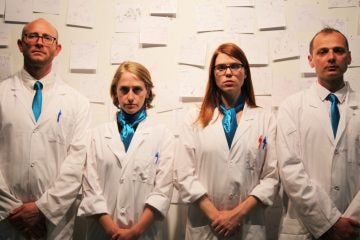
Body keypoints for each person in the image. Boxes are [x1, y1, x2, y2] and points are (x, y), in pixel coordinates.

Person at [174, 43, 279, 239]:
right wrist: (218, 217)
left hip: (248, 226)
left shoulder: (266, 119)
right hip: (205, 225)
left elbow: (271, 177)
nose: (228, 72)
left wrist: (236, 215)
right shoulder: (193, 118)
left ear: (245, 73)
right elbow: (183, 174)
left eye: (235, 66)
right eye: (221, 67)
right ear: (213, 74)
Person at [0, 18, 90, 239]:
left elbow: (76, 164)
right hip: (6, 219)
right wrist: (13, 211)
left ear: (57, 48)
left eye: (47, 38)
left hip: (53, 223)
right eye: (33, 36)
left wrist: (42, 210)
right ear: (21, 45)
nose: (40, 42)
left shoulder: (77, 102)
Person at [277, 27, 360, 240]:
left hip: (354, 227)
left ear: (349, 58)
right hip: (306, 228)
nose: (331, 57)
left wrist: (350, 220)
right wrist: (329, 222)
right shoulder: (291, 107)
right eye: (322, 52)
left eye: (338, 51)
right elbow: (290, 169)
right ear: (311, 60)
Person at [77, 61, 174, 240]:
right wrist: (111, 231)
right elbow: (90, 187)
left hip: (143, 233)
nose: (130, 97)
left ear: (148, 92)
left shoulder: (162, 135)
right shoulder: (96, 135)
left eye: (137, 89)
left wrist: (134, 232)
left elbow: (163, 190)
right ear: (115, 92)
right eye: (124, 90)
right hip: (102, 232)